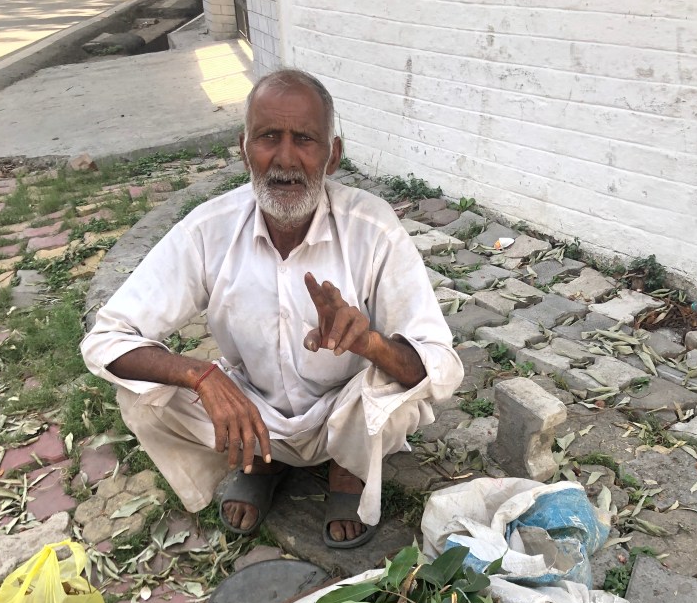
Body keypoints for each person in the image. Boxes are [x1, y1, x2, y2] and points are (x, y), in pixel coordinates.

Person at [81, 69, 463, 549]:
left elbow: (442, 365)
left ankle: (347, 471)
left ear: (333, 155)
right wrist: (202, 375)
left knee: (397, 392)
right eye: (268, 138)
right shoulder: (209, 229)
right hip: (253, 407)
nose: (285, 159)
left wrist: (370, 344)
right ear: (244, 149)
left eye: (304, 139)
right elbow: (105, 339)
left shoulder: (372, 227)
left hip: (343, 416)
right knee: (141, 395)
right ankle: (261, 458)